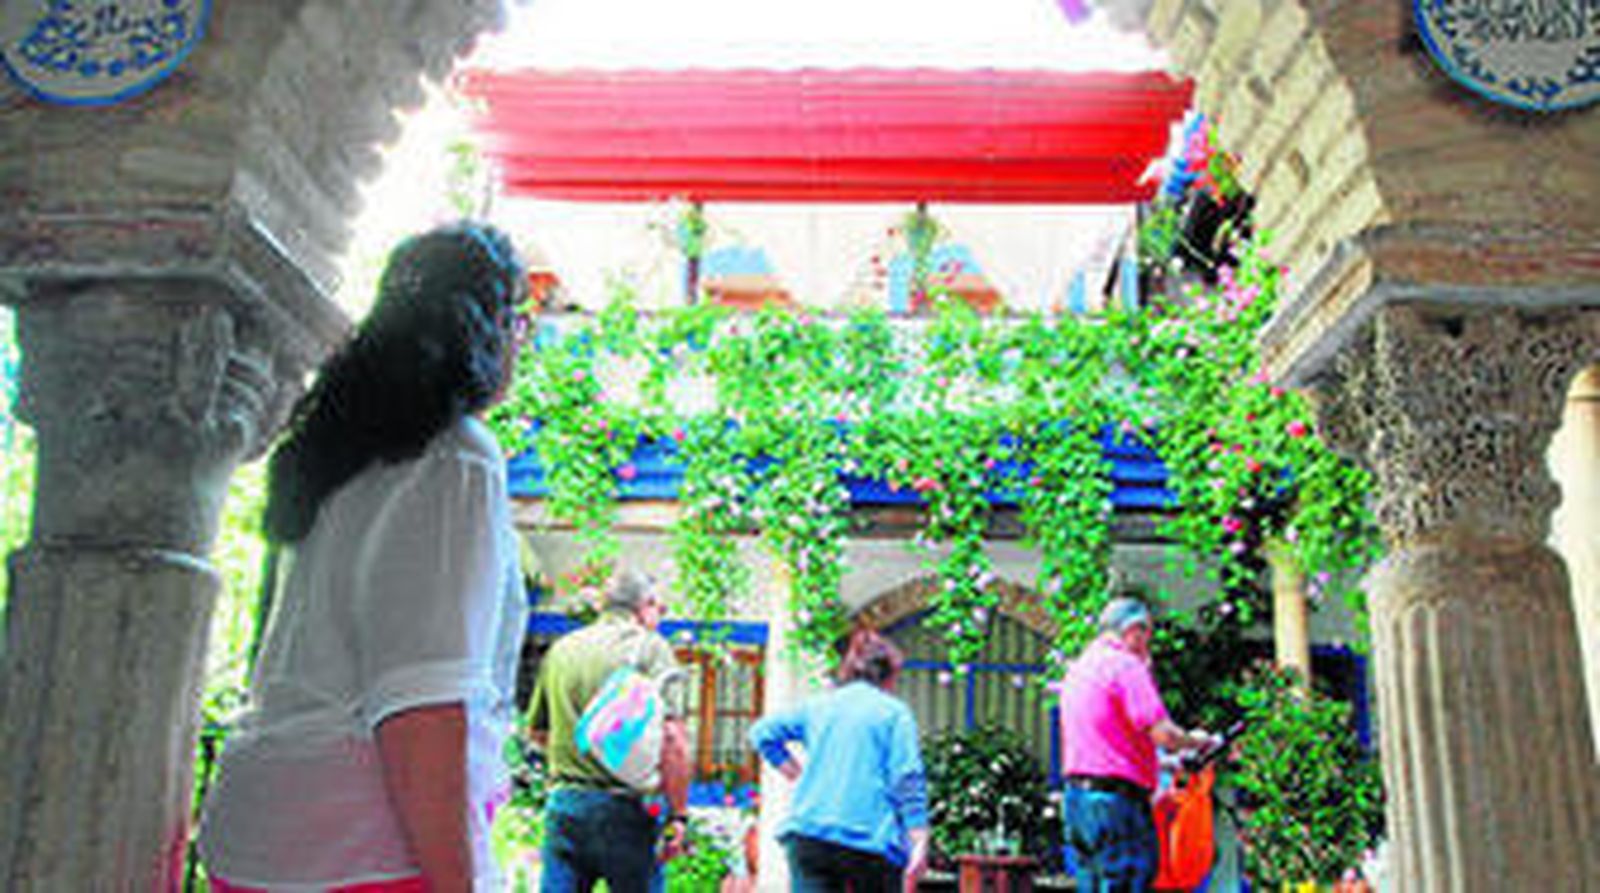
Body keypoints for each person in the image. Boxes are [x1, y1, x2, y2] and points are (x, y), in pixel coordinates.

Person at [197, 222, 532, 892]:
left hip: (258, 836)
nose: (527, 341)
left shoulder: (343, 455)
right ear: (492, 328)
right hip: (362, 850)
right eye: (523, 320)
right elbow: (421, 703)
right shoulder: (455, 455)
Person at [527, 570, 691, 892]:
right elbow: (673, 740)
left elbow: (538, 732)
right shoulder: (650, 648)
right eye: (661, 609)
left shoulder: (562, 649)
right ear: (645, 606)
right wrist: (678, 816)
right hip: (628, 810)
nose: (660, 617)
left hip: (566, 803)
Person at [1056, 597, 1220, 892]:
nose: (1149, 646)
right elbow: (1165, 736)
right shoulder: (1125, 666)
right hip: (1116, 806)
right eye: (1148, 636)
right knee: (1129, 880)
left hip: (1076, 801)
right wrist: (1196, 741)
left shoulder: (1078, 670)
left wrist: (1165, 765)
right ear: (1134, 630)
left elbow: (1107, 742)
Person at [749, 628, 930, 893]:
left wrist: (794, 772)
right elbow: (906, 779)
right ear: (890, 675)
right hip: (869, 841)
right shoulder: (894, 714)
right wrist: (919, 838)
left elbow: (762, 733)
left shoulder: (818, 706)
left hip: (810, 834)